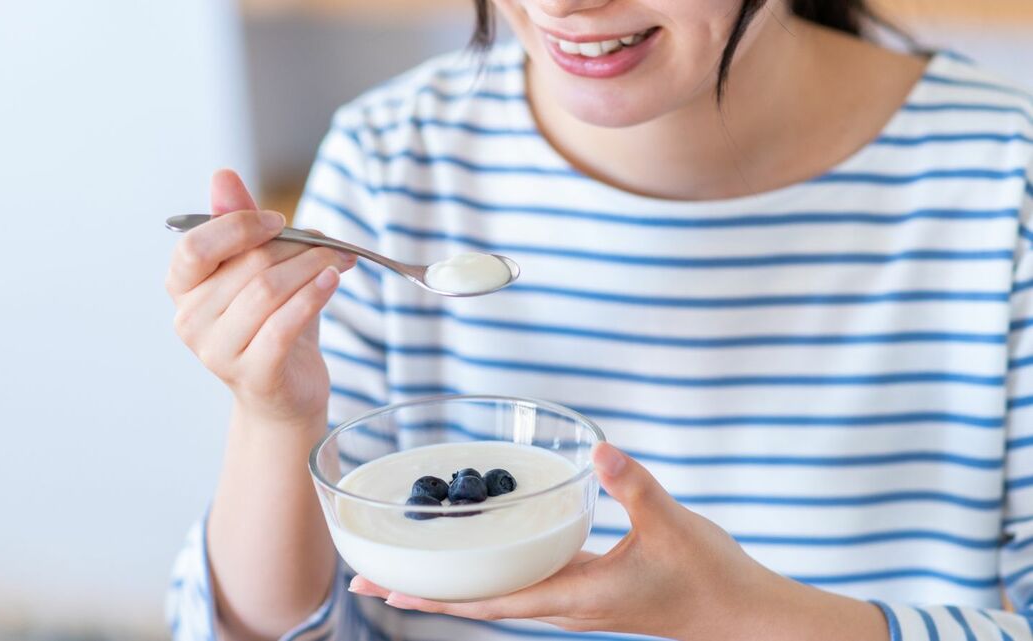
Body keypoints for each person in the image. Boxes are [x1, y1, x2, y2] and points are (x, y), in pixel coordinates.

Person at [164, 0, 1033, 638]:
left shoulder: (1004, 182)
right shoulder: (394, 163)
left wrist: (747, 617)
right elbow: (274, 628)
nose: (567, 5)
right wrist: (276, 418)